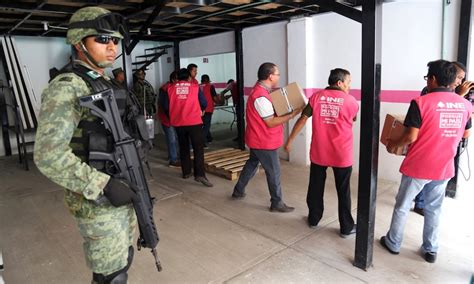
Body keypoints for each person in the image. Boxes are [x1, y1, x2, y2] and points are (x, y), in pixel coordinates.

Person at [34, 7, 139, 283]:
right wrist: (104, 185)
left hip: (121, 189)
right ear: (79, 42)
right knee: (111, 276)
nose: (112, 47)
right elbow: (48, 155)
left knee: (122, 260)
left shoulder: (102, 81)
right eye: (103, 39)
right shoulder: (68, 86)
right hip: (98, 200)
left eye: (115, 41)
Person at [380, 60, 472, 263]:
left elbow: (410, 137)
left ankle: (393, 243)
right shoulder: (465, 105)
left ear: (433, 79)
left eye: (427, 78)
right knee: (434, 208)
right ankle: (431, 249)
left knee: (403, 205)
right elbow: (465, 133)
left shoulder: (421, 102)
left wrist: (393, 142)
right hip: (444, 166)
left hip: (419, 165)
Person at [285, 68, 358, 237]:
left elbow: (303, 119)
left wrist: (289, 141)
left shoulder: (316, 97)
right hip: (342, 154)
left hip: (320, 152)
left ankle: (314, 219)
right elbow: (353, 118)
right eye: (348, 83)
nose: (349, 87)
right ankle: (346, 227)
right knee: (343, 190)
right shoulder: (351, 101)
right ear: (339, 83)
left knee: (315, 187)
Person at [231, 62, 301, 212]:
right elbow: (270, 122)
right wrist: (292, 115)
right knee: (274, 171)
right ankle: (276, 202)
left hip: (257, 139)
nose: (278, 77)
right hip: (263, 141)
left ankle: (238, 190)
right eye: (277, 74)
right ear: (270, 76)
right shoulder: (260, 96)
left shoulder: (263, 92)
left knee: (251, 164)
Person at [412, 61, 474, 216]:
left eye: (462, 78)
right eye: (458, 77)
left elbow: (468, 117)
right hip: (429, 140)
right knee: (423, 174)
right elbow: (433, 108)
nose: (459, 81)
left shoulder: (469, 92)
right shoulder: (429, 89)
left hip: (450, 141)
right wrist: (459, 96)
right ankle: (419, 203)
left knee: (438, 178)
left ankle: (428, 205)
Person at [165, 68, 213, 187]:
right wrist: (199, 109)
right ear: (188, 77)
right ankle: (200, 175)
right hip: (194, 122)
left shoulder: (170, 89)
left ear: (178, 77)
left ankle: (186, 172)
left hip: (178, 123)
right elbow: (204, 103)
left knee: (183, 147)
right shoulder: (195, 87)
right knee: (198, 148)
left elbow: (166, 106)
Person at [158, 71, 180, 168]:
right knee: (172, 139)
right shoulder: (165, 89)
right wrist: (173, 117)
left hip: (174, 117)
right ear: (173, 79)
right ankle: (173, 160)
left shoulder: (173, 88)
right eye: (177, 80)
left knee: (174, 138)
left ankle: (173, 155)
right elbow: (166, 106)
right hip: (168, 118)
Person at [200, 74, 221, 145]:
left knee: (204, 124)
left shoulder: (198, 87)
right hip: (207, 109)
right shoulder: (210, 86)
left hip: (199, 109)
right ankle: (202, 141)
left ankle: (209, 138)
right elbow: (214, 98)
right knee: (206, 126)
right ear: (207, 80)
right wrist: (219, 101)